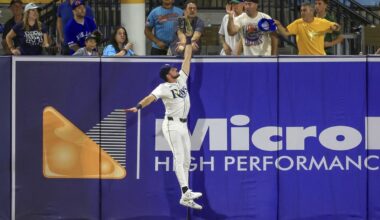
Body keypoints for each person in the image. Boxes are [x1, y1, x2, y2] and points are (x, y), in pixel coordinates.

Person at [126, 38, 202, 210]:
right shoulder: (163, 87)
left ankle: (186, 196)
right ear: (168, 75)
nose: (176, 69)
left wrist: (189, 40)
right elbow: (149, 99)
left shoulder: (181, 79)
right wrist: (137, 107)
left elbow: (187, 58)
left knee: (188, 160)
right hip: (171, 125)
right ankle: (185, 191)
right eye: (173, 69)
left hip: (183, 125)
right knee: (179, 157)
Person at [275, 2, 340, 55]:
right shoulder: (297, 23)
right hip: (303, 59)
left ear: (311, 11)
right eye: (301, 11)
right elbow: (285, 33)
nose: (302, 13)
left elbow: (336, 26)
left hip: (319, 58)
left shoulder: (321, 22)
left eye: (304, 10)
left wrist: (334, 27)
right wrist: (278, 24)